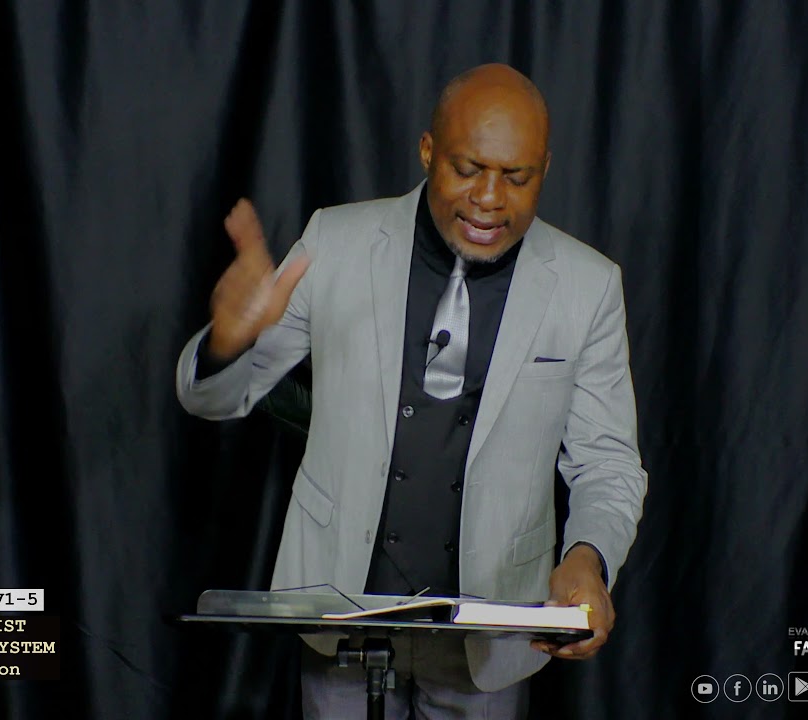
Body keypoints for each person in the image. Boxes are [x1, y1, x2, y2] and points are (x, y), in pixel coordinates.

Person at [176, 63, 647, 719]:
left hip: (492, 635)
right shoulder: (336, 242)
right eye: (467, 169)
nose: (489, 198)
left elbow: (607, 462)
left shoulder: (586, 286)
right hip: (338, 609)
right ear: (428, 151)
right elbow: (214, 399)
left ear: (544, 169)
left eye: (517, 178)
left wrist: (587, 558)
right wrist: (229, 344)